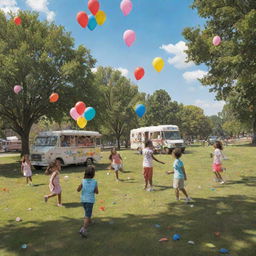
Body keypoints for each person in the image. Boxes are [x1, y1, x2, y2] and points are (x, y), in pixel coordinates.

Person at [77, 166, 99, 238]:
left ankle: (89, 221)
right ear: (93, 174)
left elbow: (78, 189)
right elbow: (96, 192)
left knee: (87, 212)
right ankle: (83, 229)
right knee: (87, 214)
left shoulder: (83, 181)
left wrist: (82, 186)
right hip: (90, 201)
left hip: (83, 200)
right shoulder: (95, 182)